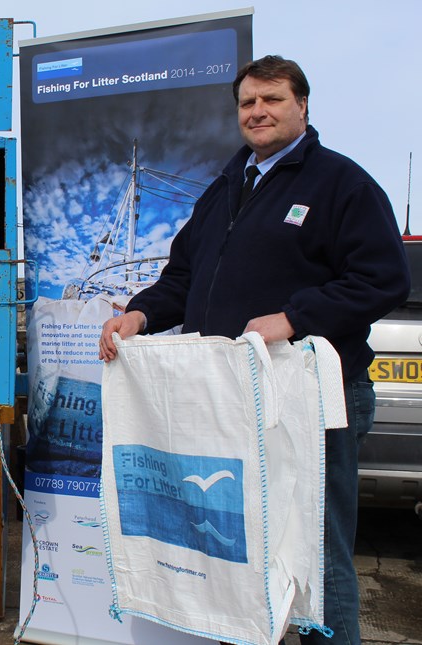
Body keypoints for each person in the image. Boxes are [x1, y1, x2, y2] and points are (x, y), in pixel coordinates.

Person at [99, 56, 409, 645]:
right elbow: (183, 276)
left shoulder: (342, 183)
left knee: (317, 558)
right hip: (229, 405)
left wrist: (294, 318)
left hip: (315, 400)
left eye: (272, 100)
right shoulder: (225, 189)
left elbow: (384, 278)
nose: (258, 112)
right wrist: (141, 313)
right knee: (233, 557)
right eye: (248, 103)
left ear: (303, 106)